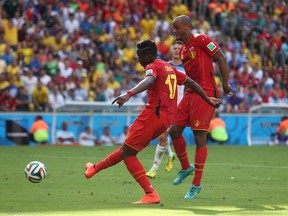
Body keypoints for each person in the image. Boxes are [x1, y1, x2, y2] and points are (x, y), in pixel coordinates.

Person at [84, 39, 220, 204]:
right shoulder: (169, 67)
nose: (139, 61)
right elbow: (191, 82)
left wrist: (129, 94)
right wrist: (207, 98)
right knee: (127, 150)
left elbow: (149, 81)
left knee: (128, 154)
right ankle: (94, 168)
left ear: (147, 56)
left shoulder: (152, 66)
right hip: (165, 120)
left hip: (152, 115)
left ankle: (150, 193)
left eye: (140, 57)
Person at [169, 15, 232, 199]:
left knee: (199, 137)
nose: (175, 31)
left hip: (205, 92)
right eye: (173, 28)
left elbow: (221, 57)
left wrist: (225, 84)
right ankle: (186, 167)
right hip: (190, 92)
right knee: (174, 131)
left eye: (178, 27)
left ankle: (196, 185)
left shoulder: (202, 40)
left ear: (188, 27)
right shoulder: (182, 50)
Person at [146, 40, 186, 179]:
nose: (176, 50)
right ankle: (163, 161)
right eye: (174, 48)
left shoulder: (187, 68)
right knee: (162, 134)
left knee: (163, 135)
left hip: (179, 107)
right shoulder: (165, 66)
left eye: (179, 48)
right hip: (164, 106)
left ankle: (161, 163)